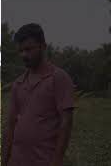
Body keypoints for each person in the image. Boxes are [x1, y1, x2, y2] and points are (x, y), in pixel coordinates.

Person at [5, 23, 76, 166]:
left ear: (43, 46)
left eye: (29, 49)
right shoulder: (18, 84)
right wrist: (5, 159)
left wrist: (56, 161)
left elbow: (66, 123)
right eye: (21, 50)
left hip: (44, 160)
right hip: (17, 160)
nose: (24, 55)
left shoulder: (59, 78)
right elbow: (11, 124)